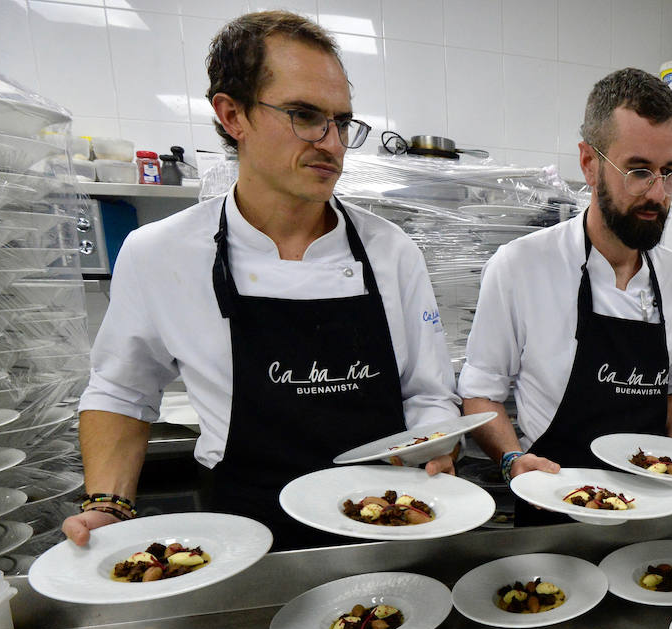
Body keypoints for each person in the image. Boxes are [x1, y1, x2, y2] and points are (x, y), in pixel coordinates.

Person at [64, 11, 459, 549]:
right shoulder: (160, 254)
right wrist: (108, 504)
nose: (332, 143)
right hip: (241, 538)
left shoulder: (392, 252)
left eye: (341, 122)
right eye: (304, 115)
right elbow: (121, 390)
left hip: (382, 524)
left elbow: (429, 394)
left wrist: (435, 446)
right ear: (232, 115)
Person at [459, 68, 672, 526]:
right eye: (638, 171)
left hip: (649, 519)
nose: (657, 193)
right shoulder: (520, 266)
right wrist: (513, 459)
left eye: (669, 172)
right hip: (551, 514)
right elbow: (479, 394)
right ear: (589, 163)